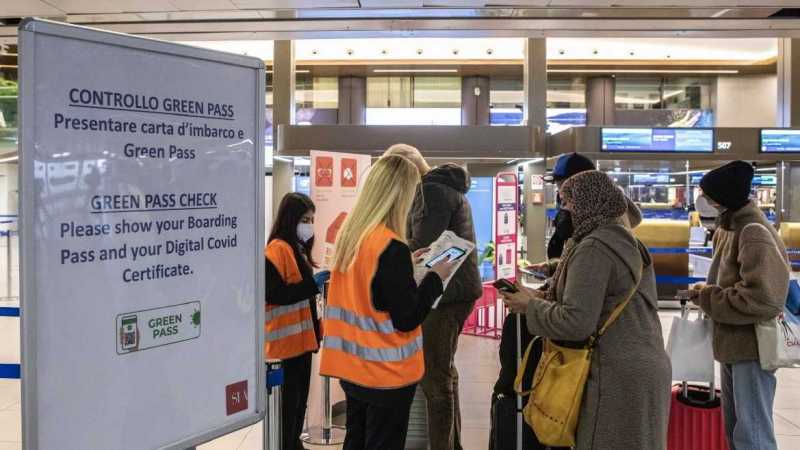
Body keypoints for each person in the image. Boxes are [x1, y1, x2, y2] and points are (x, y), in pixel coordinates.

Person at [500, 170, 671, 450]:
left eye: (568, 202)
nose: (564, 210)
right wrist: (538, 298)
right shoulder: (623, 240)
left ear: (587, 204)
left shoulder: (595, 248)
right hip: (641, 367)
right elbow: (597, 301)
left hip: (614, 374)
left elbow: (577, 322)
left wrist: (529, 307)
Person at [319, 155, 459, 450]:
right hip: (385, 375)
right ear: (400, 196)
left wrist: (407, 264)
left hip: (352, 369)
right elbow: (407, 317)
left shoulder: (353, 238)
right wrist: (435, 277)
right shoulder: (391, 248)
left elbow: (370, 291)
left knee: (356, 440)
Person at [385, 143, 483, 450]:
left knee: (435, 379)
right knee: (445, 372)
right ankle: (453, 444)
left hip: (445, 294)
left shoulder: (430, 191)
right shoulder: (444, 188)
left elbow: (423, 244)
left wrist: (386, 250)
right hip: (456, 290)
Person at [688, 161, 789, 450]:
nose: (703, 200)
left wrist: (708, 297)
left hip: (751, 347)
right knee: (736, 431)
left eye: (707, 195)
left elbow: (763, 298)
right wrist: (708, 294)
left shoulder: (752, 232)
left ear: (723, 197)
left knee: (752, 433)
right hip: (733, 343)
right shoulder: (729, 228)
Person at [264, 192, 328, 450]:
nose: (309, 225)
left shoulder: (297, 250)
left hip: (302, 344)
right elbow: (274, 294)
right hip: (284, 349)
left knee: (298, 408)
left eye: (312, 219)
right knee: (288, 412)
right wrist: (311, 285)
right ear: (290, 219)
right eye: (304, 219)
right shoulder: (276, 250)